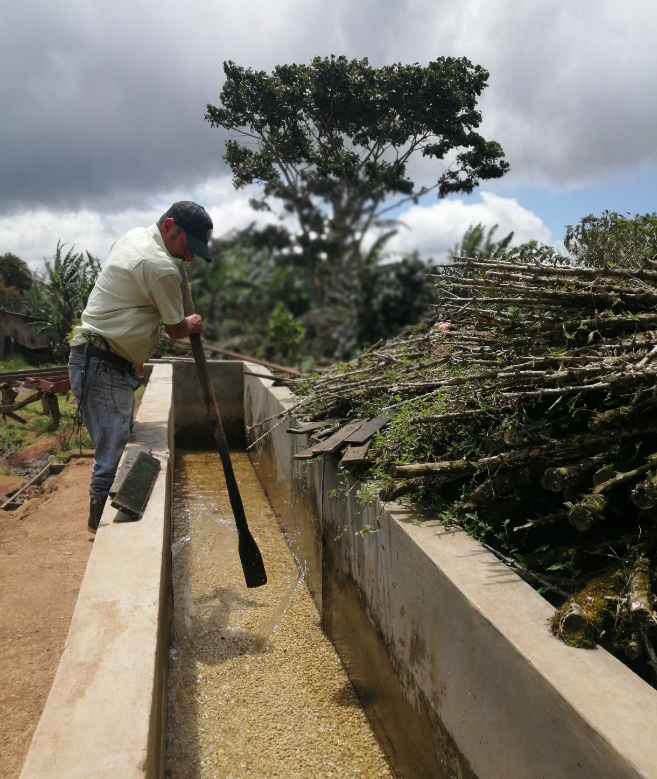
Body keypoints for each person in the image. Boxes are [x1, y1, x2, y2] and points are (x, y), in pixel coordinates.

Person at [69, 201, 212, 534]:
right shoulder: (161, 265)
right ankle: (102, 535)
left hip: (100, 359)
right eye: (187, 247)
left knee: (116, 446)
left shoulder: (135, 237)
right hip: (101, 364)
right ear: (168, 227)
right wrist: (191, 323)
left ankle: (101, 529)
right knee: (114, 456)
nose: (189, 258)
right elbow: (176, 329)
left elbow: (129, 304)